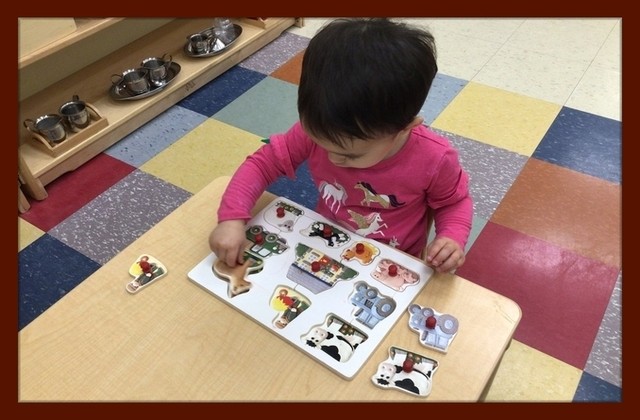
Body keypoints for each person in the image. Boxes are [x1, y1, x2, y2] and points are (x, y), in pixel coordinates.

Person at [209, 18, 473, 273]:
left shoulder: (435, 158)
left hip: (393, 261)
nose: (333, 160)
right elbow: (262, 164)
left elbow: (453, 203)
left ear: (404, 127)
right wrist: (232, 217)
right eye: (322, 144)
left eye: (349, 155)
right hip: (327, 241)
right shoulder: (320, 129)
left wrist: (451, 239)